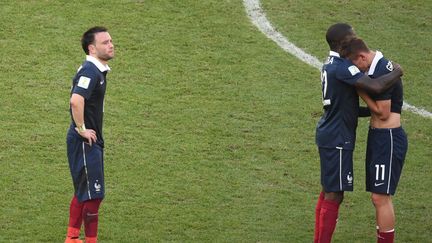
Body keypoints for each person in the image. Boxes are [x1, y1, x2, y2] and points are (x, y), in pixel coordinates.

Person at [314, 23, 403, 243]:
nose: (356, 39)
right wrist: (398, 71)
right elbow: (375, 88)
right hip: (337, 136)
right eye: (351, 36)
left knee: (329, 190)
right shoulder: (344, 67)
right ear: (342, 42)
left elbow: (348, 107)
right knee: (334, 193)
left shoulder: (331, 63)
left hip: (331, 129)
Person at [341, 37, 408, 243]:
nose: (357, 72)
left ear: (362, 57)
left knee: (381, 197)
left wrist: (360, 89)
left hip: (387, 139)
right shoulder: (376, 68)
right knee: (377, 197)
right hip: (379, 138)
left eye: (355, 65)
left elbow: (382, 113)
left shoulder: (381, 71)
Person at [65, 26, 114, 243]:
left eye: (111, 41)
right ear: (92, 49)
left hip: (88, 140)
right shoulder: (90, 71)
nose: (111, 45)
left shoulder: (96, 70)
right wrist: (82, 128)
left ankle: (72, 238)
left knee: (83, 191)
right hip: (86, 141)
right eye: (105, 42)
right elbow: (76, 100)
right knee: (94, 195)